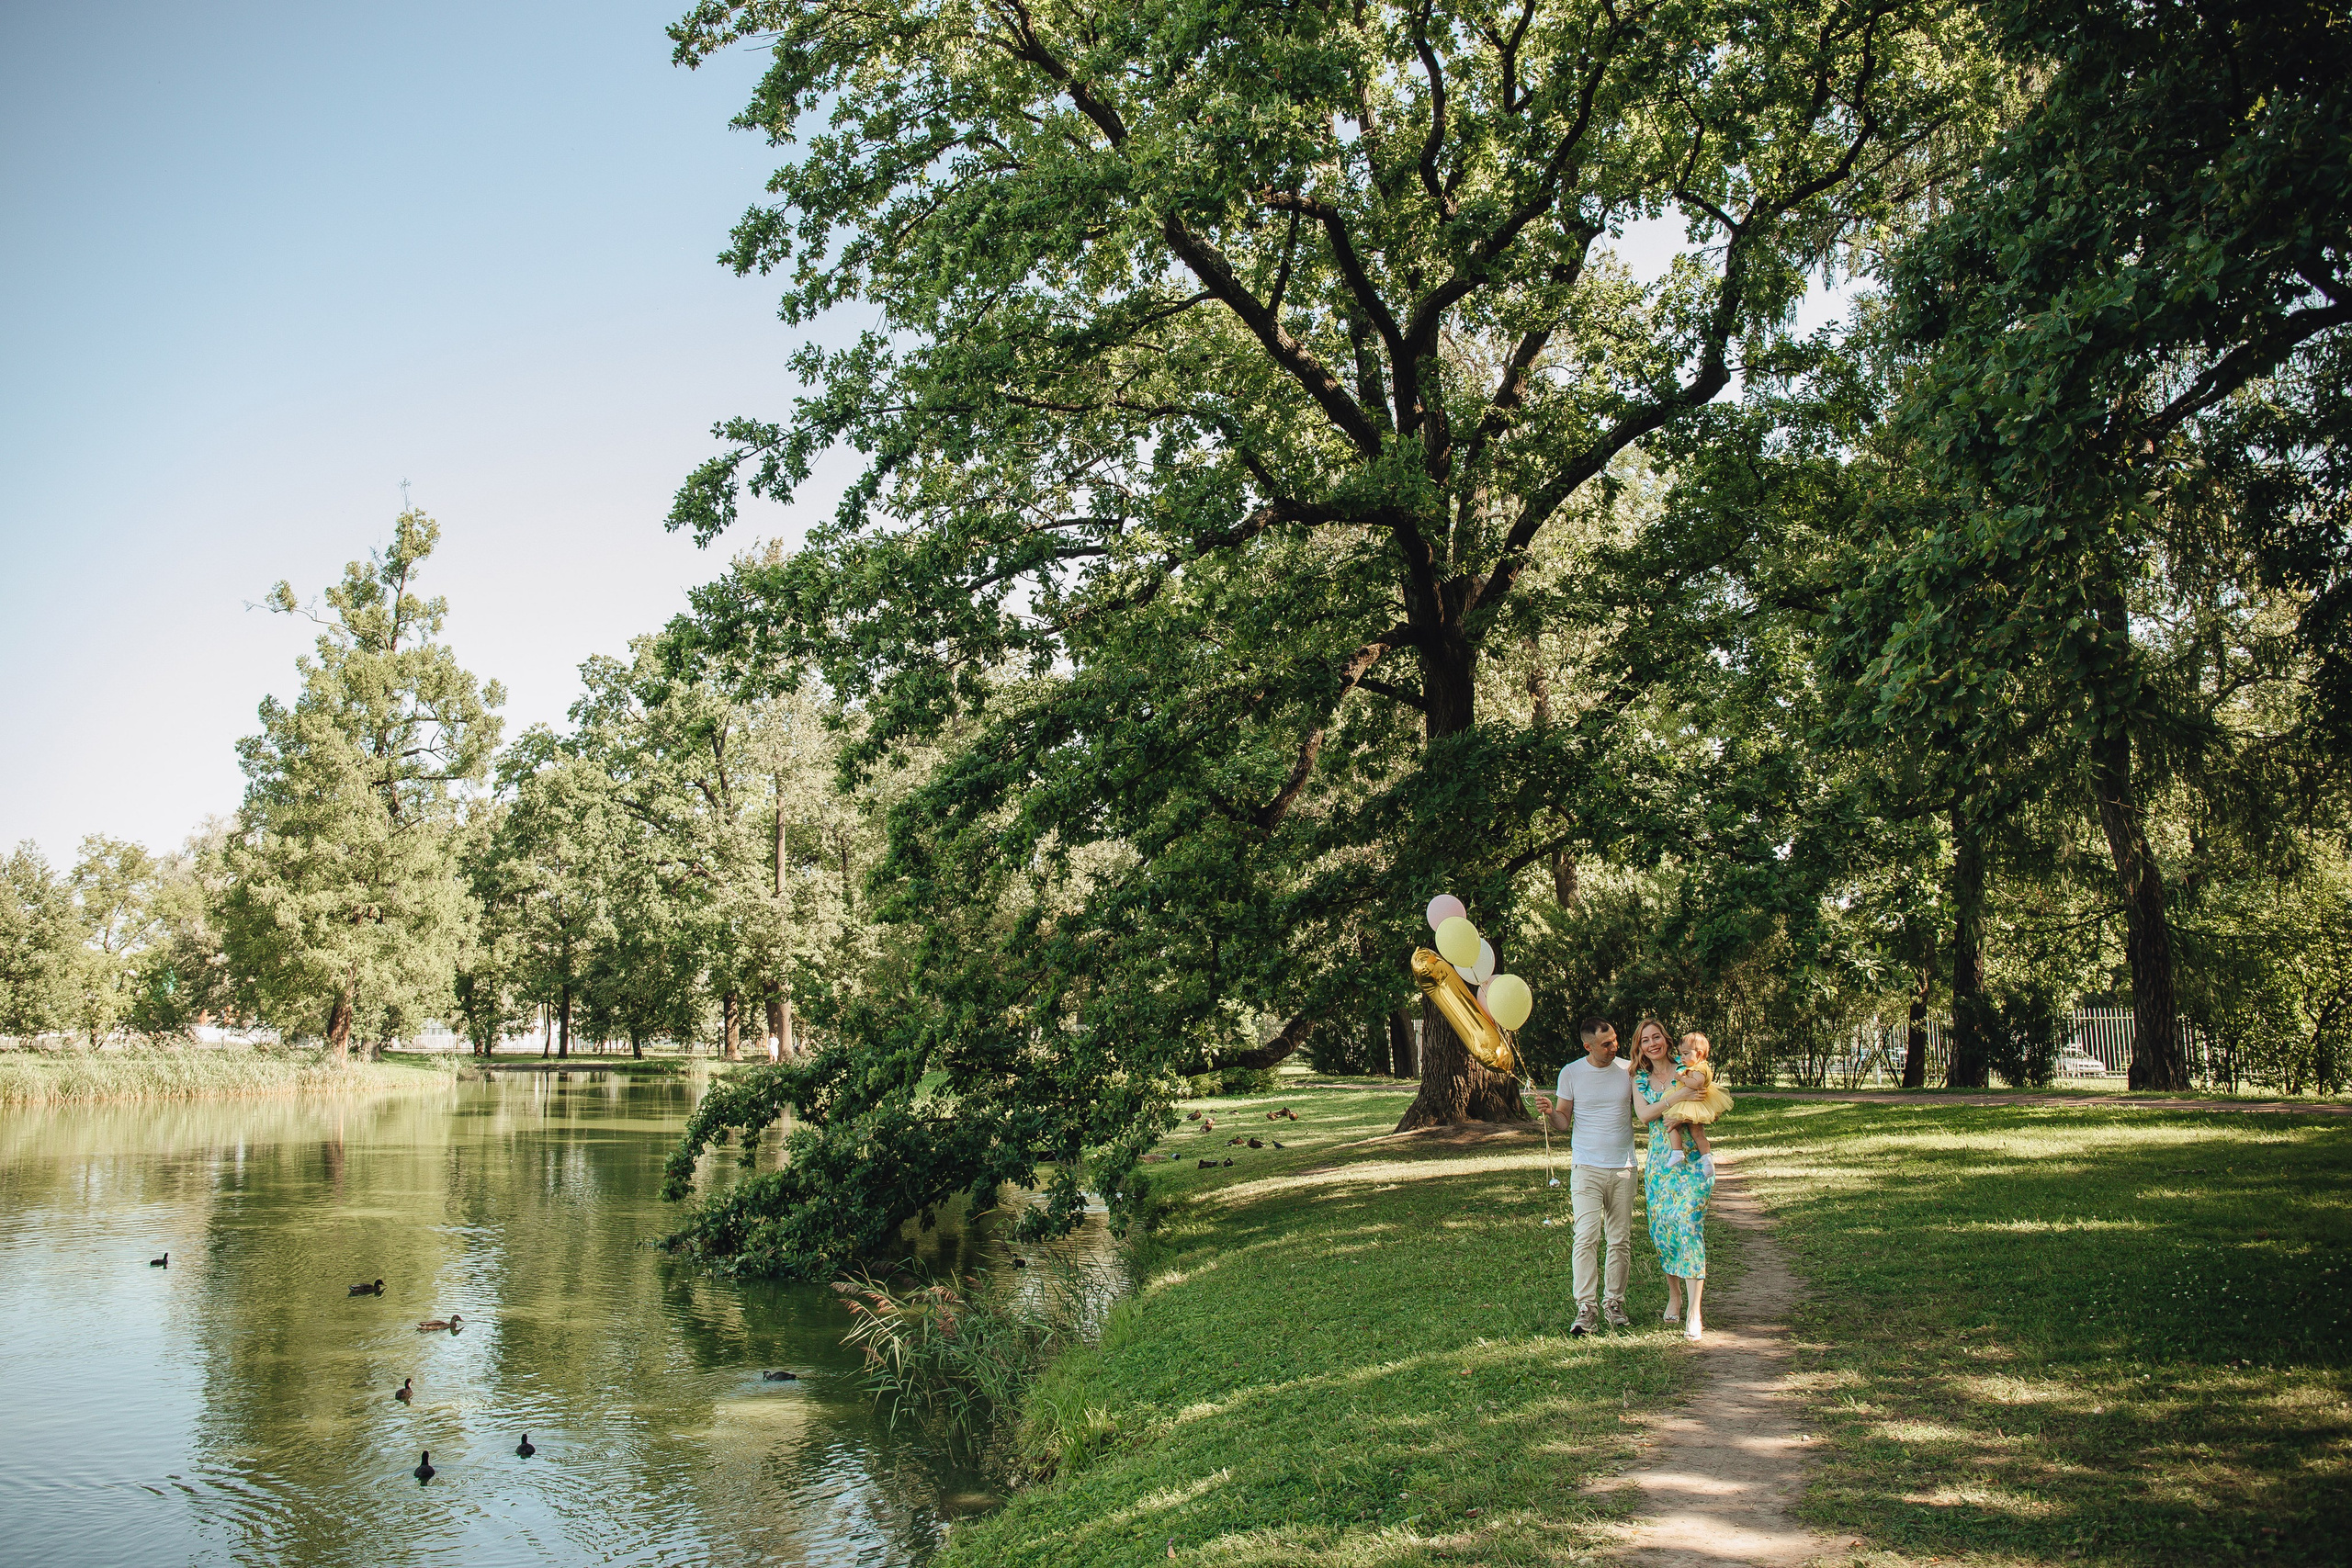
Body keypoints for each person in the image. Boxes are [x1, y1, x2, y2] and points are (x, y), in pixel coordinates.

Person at [1532, 1017, 1639, 1336]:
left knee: (1619, 1239)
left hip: (1623, 1166)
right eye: (1606, 1044)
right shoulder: (1572, 1072)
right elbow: (1564, 1121)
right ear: (1587, 1046)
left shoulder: (1628, 1070)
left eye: (1615, 1040)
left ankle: (1615, 1303)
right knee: (1586, 1237)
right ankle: (1586, 1307)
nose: (1614, 1047)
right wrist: (1551, 1112)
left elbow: (1646, 1106)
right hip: (1586, 1168)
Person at [1628, 1018, 1713, 1341]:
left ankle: (1694, 1312)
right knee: (1663, 1227)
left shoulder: (1687, 1064)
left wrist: (1672, 1102)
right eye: (1645, 1040)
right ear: (1640, 1047)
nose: (1653, 1043)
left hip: (1692, 1158)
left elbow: (1705, 1095)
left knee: (1687, 1223)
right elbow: (1645, 1115)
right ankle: (1674, 1295)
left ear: (1665, 1039)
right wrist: (1676, 1100)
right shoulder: (1639, 1078)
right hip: (1662, 1163)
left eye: (1657, 1037)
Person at [1660, 1032, 1735, 1168]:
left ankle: (1679, 1152)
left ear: (1699, 1054)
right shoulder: (1695, 1067)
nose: (1682, 1057)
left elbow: (1697, 1083)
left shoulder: (1699, 1068)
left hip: (1692, 1104)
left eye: (1686, 1053)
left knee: (1672, 1125)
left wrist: (1682, 1078)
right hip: (1691, 1103)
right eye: (1681, 1054)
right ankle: (1704, 1158)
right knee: (1695, 1133)